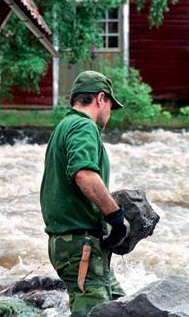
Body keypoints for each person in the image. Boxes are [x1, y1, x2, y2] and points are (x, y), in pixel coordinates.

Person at [40, 70, 130, 316]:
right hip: (80, 245)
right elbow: (84, 175)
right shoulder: (83, 126)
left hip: (78, 244)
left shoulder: (65, 125)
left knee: (123, 306)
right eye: (111, 104)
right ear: (101, 99)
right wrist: (115, 217)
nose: (110, 113)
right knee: (93, 312)